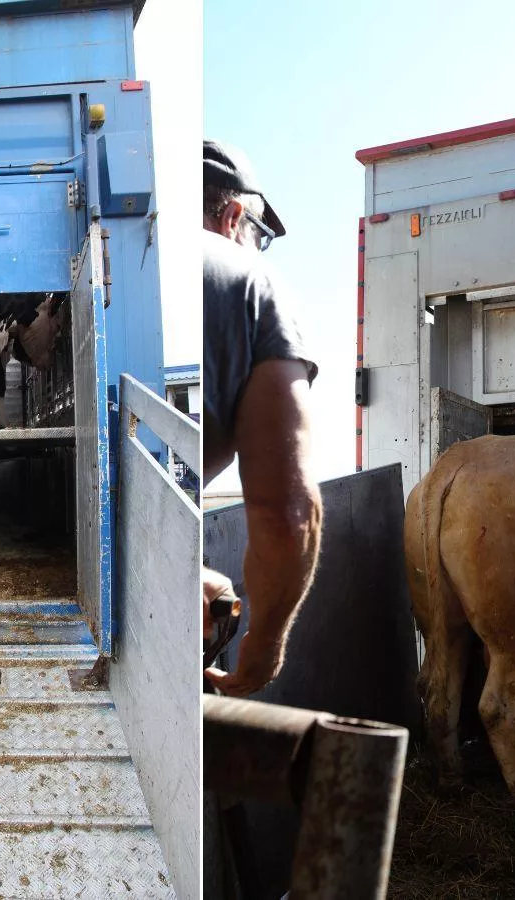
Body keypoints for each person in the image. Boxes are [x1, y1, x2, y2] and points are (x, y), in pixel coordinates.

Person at [201, 139, 322, 697]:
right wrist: (261, 651)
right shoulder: (249, 284)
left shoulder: (110, 252)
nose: (258, 248)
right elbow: (288, 513)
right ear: (232, 216)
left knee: (211, 587)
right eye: (259, 233)